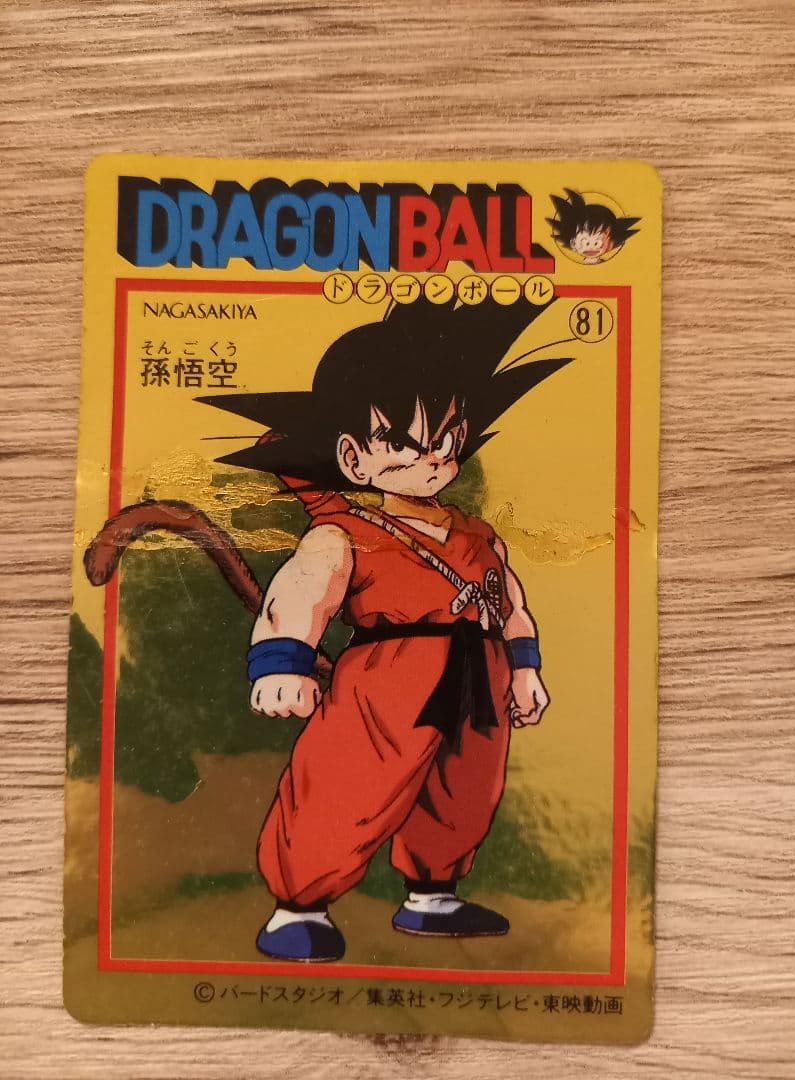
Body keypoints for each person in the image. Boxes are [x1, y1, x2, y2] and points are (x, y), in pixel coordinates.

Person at [200, 294, 572, 961]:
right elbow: (303, 591)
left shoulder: (479, 535)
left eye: (447, 440)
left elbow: (510, 602)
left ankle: (433, 895)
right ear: (352, 455)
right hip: (384, 682)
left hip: (479, 677)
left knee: (467, 786)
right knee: (349, 783)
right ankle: (298, 907)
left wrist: (524, 668)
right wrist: (282, 662)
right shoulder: (345, 532)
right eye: (406, 443)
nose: (433, 458)